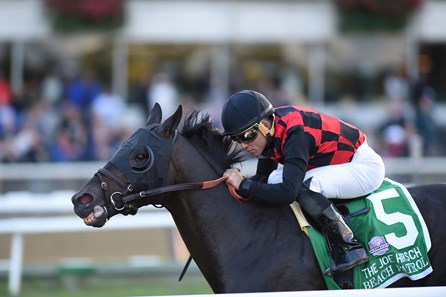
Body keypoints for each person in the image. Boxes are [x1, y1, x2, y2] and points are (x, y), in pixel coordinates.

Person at [222, 90, 385, 274]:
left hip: (363, 166)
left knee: (303, 187)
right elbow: (262, 179)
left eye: (247, 136)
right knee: (273, 180)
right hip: (337, 162)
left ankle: (348, 246)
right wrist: (240, 187)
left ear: (265, 125)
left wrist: (244, 184)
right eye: (237, 139)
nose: (243, 145)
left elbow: (288, 192)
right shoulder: (271, 131)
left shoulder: (294, 132)